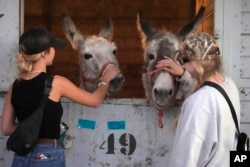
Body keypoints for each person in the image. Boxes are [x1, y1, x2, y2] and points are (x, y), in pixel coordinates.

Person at [1, 27, 120, 167]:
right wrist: (105, 79)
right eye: (52, 48)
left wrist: (31, 128)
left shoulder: (14, 86)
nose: (55, 51)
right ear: (44, 53)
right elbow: (94, 101)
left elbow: (6, 128)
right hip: (47, 156)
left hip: (21, 156)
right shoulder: (56, 83)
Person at [158, 32, 240, 166]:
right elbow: (204, 89)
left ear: (195, 62)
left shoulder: (199, 102)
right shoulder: (229, 85)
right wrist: (183, 74)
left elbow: (185, 159)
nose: (181, 65)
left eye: (183, 59)